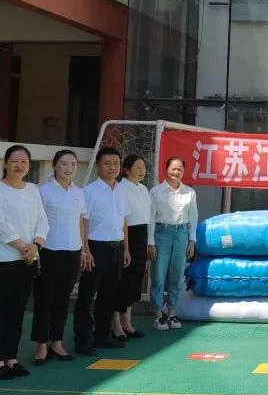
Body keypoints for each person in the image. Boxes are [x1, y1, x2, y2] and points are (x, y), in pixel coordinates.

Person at [0, 145, 47, 380]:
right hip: (0, 261)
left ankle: (11, 358)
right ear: (5, 163)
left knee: (17, 311)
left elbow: (42, 220)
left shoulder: (33, 190)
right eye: (14, 161)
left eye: (24, 161)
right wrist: (23, 247)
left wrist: (36, 245)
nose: (19, 165)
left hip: (27, 260)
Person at [74, 147, 130, 356]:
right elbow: (83, 223)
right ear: (98, 166)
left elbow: (124, 221)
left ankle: (103, 335)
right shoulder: (89, 192)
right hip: (95, 247)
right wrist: (86, 251)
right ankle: (83, 339)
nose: (112, 167)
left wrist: (126, 249)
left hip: (117, 247)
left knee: (109, 294)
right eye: (107, 163)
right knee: (87, 295)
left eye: (115, 163)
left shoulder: (122, 190)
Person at [31, 149, 85, 365]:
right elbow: (36, 222)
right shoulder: (43, 191)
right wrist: (36, 253)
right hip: (49, 251)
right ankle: (41, 345)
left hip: (72, 252)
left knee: (63, 299)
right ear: (54, 166)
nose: (69, 168)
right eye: (64, 163)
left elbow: (80, 222)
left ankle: (57, 342)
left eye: (73, 164)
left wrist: (83, 250)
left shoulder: (79, 192)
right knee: (44, 299)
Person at [148, 157, 198, 331]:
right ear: (166, 169)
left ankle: (172, 313)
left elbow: (193, 217)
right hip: (161, 232)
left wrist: (192, 241)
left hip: (182, 234)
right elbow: (150, 218)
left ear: (183, 172)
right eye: (173, 168)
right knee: (159, 275)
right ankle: (158, 314)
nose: (176, 172)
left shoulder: (189, 192)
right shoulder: (156, 192)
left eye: (179, 169)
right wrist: (150, 242)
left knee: (177, 275)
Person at [114, 155, 152, 340]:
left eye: (143, 166)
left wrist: (149, 242)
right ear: (126, 170)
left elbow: (147, 217)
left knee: (135, 279)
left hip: (141, 234)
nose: (142, 170)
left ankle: (127, 322)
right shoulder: (120, 188)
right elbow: (123, 220)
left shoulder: (143, 189)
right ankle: (115, 325)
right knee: (122, 280)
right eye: (137, 167)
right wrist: (126, 248)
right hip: (127, 235)